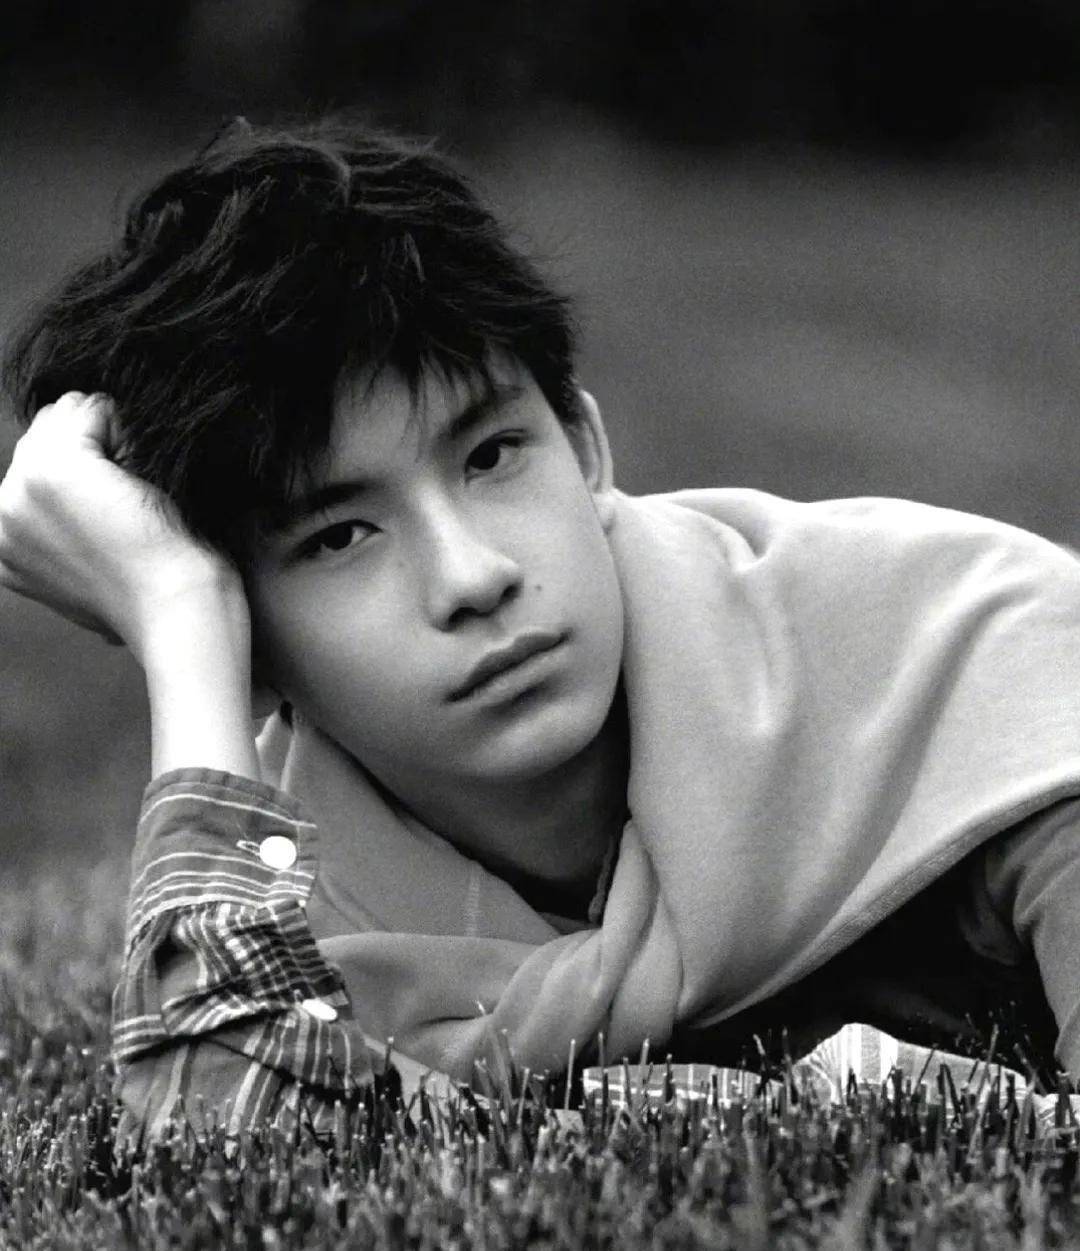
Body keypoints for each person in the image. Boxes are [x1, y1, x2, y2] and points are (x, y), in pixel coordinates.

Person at [2, 117, 1079, 1142]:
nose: (472, 577)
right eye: (337, 536)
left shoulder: (950, 662)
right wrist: (181, 618)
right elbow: (212, 1141)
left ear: (585, 446)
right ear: (253, 640)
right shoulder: (296, 904)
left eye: (491, 457)